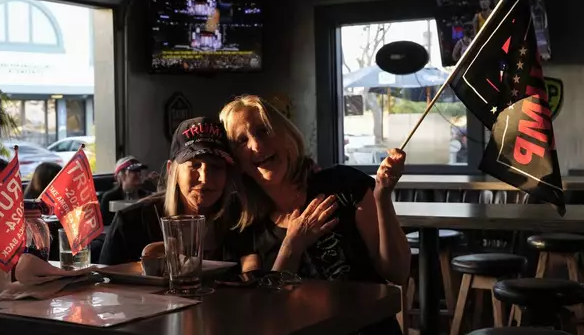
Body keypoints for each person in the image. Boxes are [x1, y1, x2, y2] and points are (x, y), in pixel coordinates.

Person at [219, 95, 410, 334]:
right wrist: (292, 245)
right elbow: (265, 311)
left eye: (263, 131)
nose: (256, 145)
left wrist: (382, 196)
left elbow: (398, 272)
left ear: (284, 134)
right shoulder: (245, 226)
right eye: (241, 140)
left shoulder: (344, 184)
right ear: (236, 161)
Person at [99, 117, 257, 269]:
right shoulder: (131, 224)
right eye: (195, 165)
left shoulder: (241, 221)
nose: (205, 177)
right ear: (171, 170)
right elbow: (104, 287)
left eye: (216, 167)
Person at [99, 156, 151, 226]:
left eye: (139, 170)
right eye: (134, 170)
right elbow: (105, 224)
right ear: (121, 175)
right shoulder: (109, 198)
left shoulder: (147, 196)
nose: (139, 174)